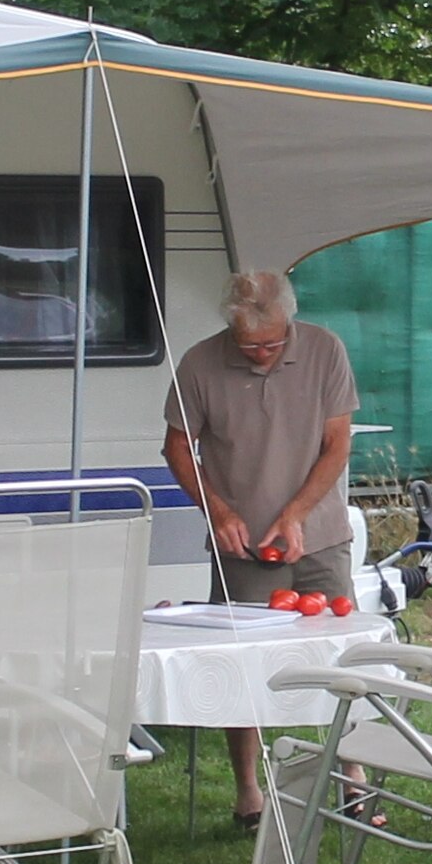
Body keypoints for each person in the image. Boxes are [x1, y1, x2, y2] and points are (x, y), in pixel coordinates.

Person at [161, 268, 358, 824]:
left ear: (288, 323)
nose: (260, 354)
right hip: (242, 543)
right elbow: (177, 448)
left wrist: (296, 515)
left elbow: (337, 443)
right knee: (240, 666)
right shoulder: (200, 363)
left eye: (271, 343)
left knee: (339, 658)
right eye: (248, 345)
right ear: (230, 330)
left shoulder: (325, 350)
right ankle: (249, 790)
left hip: (320, 535)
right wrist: (218, 510)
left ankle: (352, 774)